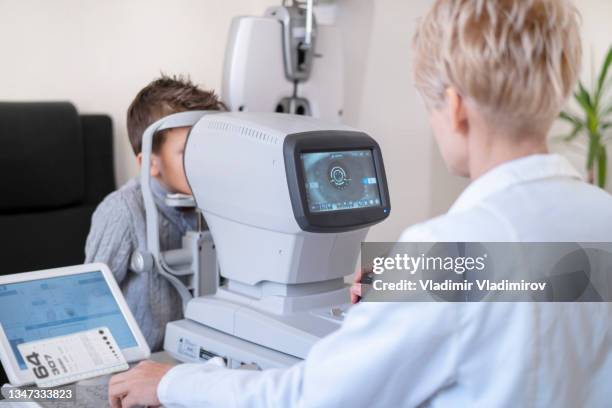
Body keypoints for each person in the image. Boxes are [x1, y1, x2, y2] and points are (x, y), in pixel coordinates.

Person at [108, 0, 612, 406]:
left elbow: (308, 398)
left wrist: (172, 384)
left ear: (454, 108)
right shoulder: (601, 217)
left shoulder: (447, 251)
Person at [85, 75, 226, 352]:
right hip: (138, 366)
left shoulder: (216, 207)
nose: (205, 163)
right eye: (187, 152)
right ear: (150, 163)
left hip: (194, 361)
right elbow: (91, 302)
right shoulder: (122, 211)